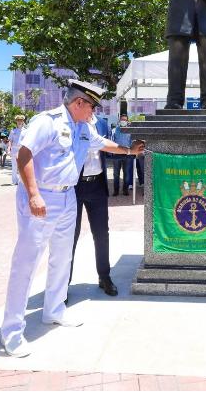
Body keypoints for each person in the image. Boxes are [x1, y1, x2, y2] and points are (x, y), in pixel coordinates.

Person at [0, 80, 145, 357]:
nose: (93, 112)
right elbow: (24, 154)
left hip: (68, 196)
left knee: (63, 256)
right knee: (26, 263)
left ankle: (54, 311)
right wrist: (33, 194)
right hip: (42, 196)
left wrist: (130, 151)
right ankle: (12, 331)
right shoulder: (48, 122)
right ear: (79, 103)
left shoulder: (82, 127)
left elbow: (103, 144)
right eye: (91, 106)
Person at [68, 111, 119, 301]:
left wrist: (130, 150)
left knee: (102, 233)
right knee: (70, 236)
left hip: (97, 185)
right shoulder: (73, 123)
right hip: (75, 185)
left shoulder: (102, 124)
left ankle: (104, 276)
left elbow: (109, 148)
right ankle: (62, 284)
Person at [110, 115, 135, 196]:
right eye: (122, 119)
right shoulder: (114, 130)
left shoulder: (130, 131)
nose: (123, 121)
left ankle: (125, 190)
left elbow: (132, 142)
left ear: (127, 121)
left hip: (127, 155)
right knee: (116, 174)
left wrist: (131, 151)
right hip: (116, 155)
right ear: (119, 120)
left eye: (125, 120)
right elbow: (112, 141)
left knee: (126, 174)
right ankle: (116, 190)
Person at [8, 115, 26, 185]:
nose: (19, 122)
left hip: (22, 150)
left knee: (22, 166)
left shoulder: (26, 131)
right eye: (18, 120)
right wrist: (8, 150)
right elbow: (10, 141)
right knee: (14, 166)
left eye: (21, 120)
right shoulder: (13, 131)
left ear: (23, 121)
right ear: (16, 121)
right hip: (14, 150)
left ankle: (21, 181)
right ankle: (14, 181)